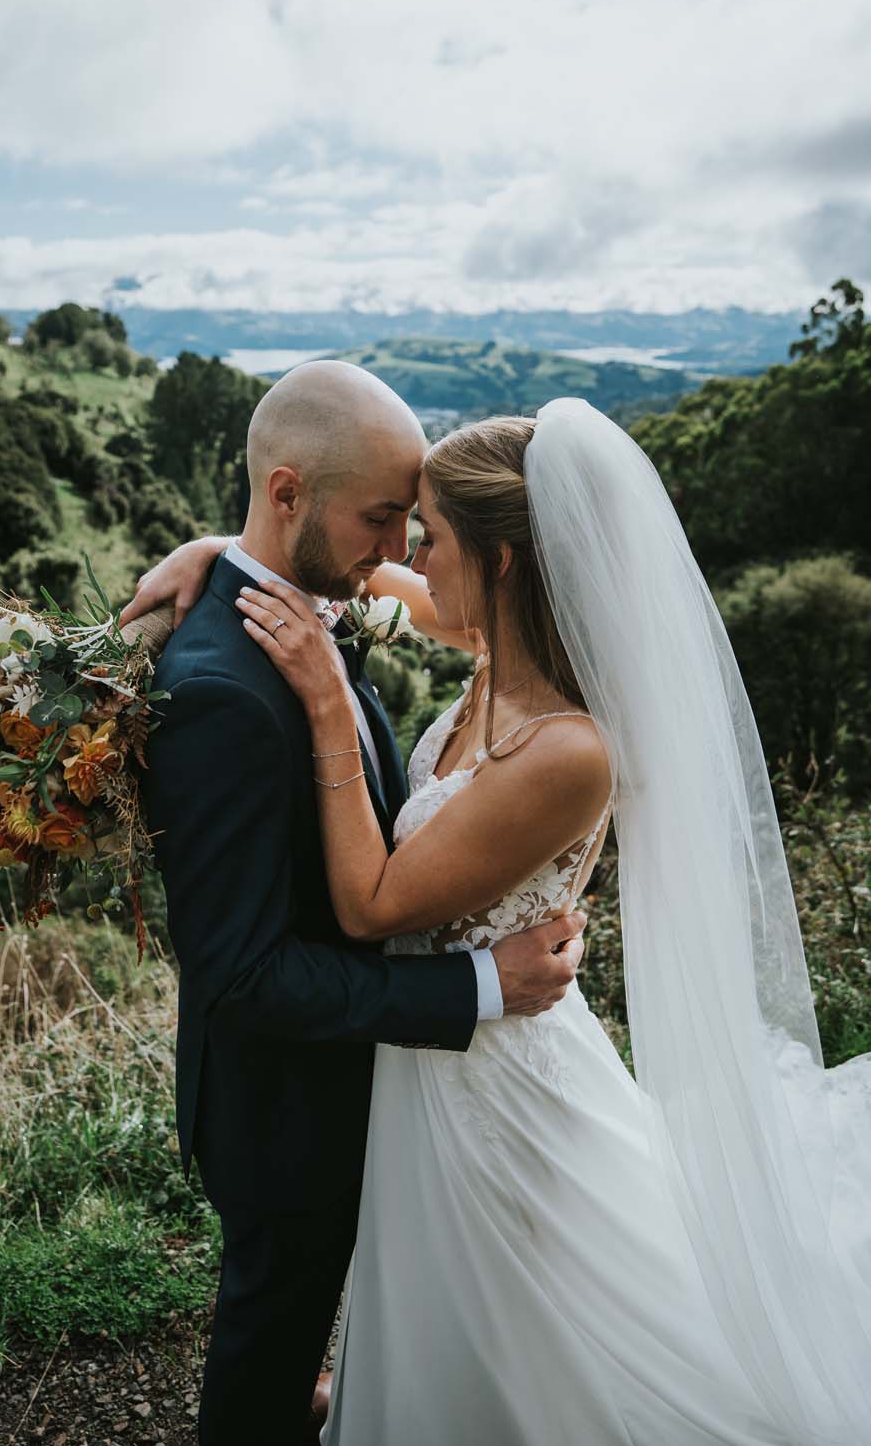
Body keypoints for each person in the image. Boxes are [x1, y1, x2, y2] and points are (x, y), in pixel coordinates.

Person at [131, 397, 871, 1445]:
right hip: (422, 1058)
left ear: (504, 560)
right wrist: (220, 548)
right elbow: (329, 571)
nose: (404, 555)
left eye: (426, 534)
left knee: (532, 1313)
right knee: (450, 1310)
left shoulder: (566, 747)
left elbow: (371, 903)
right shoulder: (486, 636)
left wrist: (331, 711)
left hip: (497, 1080)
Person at [124, 362, 588, 1446]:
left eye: (416, 528)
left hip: (386, 1079)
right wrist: (478, 979)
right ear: (287, 494)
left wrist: (220, 557)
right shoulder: (225, 694)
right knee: (267, 1348)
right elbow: (239, 970)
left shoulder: (308, 606)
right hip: (287, 1100)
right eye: (384, 519)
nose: (395, 554)